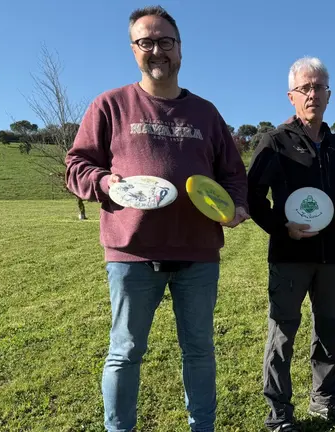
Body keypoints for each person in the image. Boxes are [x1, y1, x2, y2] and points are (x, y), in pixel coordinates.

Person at [65, 6, 249, 432]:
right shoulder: (110, 105)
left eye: (165, 41)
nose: (156, 50)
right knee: (125, 351)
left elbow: (233, 174)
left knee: (199, 350)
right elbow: (76, 166)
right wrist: (105, 183)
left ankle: (202, 427)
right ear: (133, 50)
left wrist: (237, 206)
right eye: (145, 42)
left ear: (180, 49)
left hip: (198, 252)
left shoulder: (206, 113)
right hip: (132, 252)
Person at [247, 56, 335, 432]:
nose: (312, 94)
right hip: (290, 255)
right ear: (291, 96)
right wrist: (281, 228)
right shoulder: (275, 141)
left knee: (329, 330)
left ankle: (325, 400)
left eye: (319, 87)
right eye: (304, 88)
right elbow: (253, 196)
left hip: (333, 255)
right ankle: (279, 413)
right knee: (282, 333)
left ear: (329, 95)